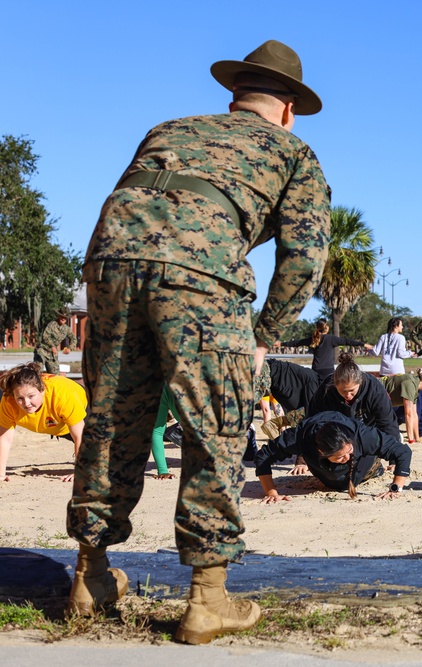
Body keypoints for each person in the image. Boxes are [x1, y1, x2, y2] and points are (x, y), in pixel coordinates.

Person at [65, 40, 332, 645]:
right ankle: (208, 601)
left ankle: (90, 575)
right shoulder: (293, 150)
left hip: (109, 262)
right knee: (216, 422)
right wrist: (265, 337)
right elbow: (305, 257)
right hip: (199, 276)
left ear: (233, 96)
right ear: (288, 109)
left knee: (111, 417)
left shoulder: (169, 127)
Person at [255, 411, 411, 501]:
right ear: (322, 452)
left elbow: (403, 451)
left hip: (365, 467)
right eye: (340, 457)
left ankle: (375, 470)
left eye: (348, 452)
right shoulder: (298, 438)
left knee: (366, 466)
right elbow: (263, 457)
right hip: (325, 473)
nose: (347, 458)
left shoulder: (363, 435)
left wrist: (396, 488)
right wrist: (271, 492)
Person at [0, 363, 87, 483]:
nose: (26, 403)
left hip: (87, 405)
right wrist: (0, 474)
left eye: (31, 396)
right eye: (20, 398)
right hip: (56, 423)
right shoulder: (8, 402)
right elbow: (4, 439)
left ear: (42, 390)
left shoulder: (62, 396)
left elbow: (80, 436)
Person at [277, 319, 373, 380]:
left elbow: (296, 343)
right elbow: (347, 341)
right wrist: (363, 344)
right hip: (328, 370)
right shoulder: (331, 339)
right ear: (326, 328)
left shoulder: (313, 339)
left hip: (315, 369)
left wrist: (281, 344)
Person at [380, 365, 422, 444]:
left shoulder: (416, 387)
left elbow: (414, 414)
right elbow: (408, 414)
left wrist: (417, 438)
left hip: (380, 400)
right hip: (373, 392)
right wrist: (411, 439)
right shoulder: (410, 384)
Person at [33, 307, 76, 374]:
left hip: (52, 355)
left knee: (55, 374)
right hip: (42, 350)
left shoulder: (67, 329)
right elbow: (45, 336)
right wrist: (52, 346)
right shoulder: (52, 324)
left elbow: (73, 339)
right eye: (62, 316)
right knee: (37, 371)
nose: (63, 318)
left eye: (65, 317)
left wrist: (70, 348)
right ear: (58, 316)